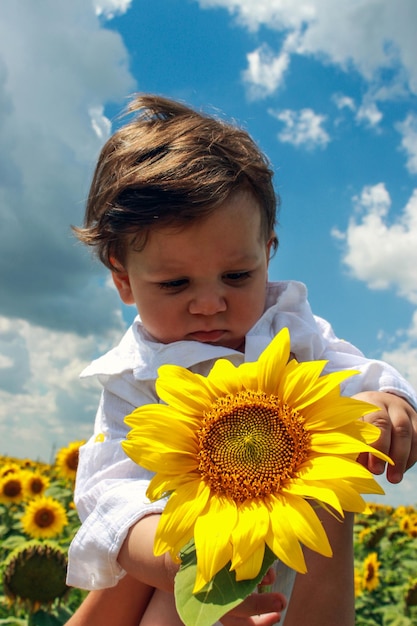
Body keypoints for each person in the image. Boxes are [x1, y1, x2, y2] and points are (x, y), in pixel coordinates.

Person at [66, 94, 417, 626]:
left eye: (237, 276)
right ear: (123, 280)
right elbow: (108, 492)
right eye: (175, 283)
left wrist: (387, 399)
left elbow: (353, 371)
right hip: (189, 561)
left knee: (330, 519)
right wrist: (171, 556)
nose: (210, 303)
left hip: (298, 552)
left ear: (268, 253)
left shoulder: (287, 328)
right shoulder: (133, 375)